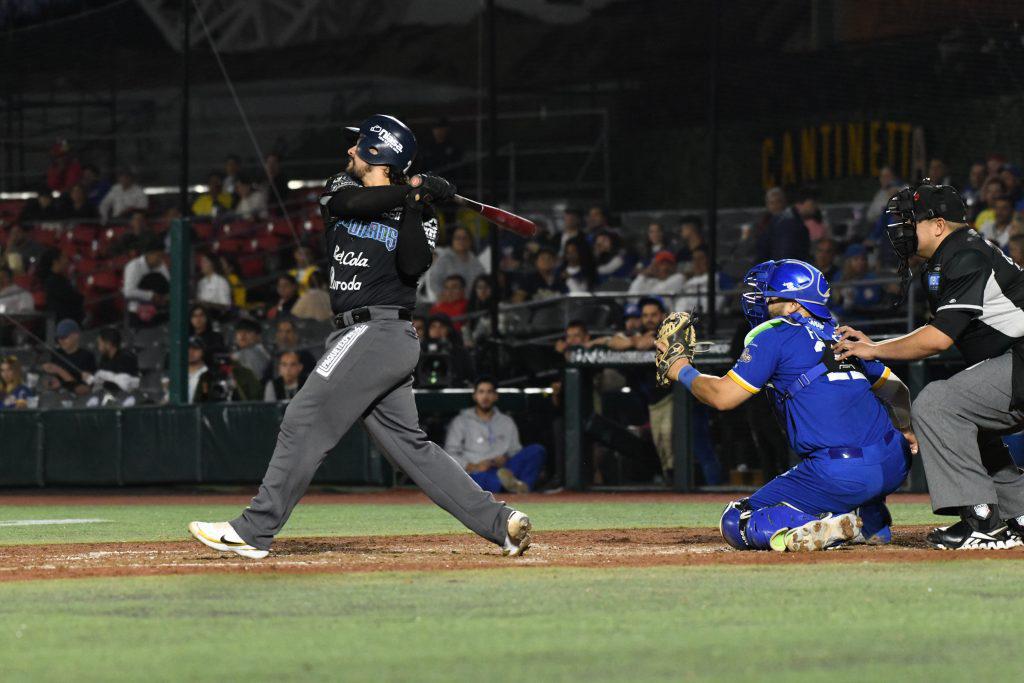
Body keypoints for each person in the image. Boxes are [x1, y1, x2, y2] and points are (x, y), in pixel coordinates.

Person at [189, 113, 530, 559]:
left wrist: (416, 203)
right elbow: (351, 207)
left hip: (381, 329)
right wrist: (412, 190)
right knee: (411, 448)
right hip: (363, 334)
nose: (350, 150)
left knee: (303, 416)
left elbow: (411, 266)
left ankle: (254, 531)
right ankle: (500, 522)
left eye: (359, 144)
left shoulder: (420, 213)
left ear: (378, 151)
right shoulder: (339, 188)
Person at [660, 259, 913, 551]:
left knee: (736, 520)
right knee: (859, 448)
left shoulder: (776, 333)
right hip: (896, 460)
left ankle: (825, 526)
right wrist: (905, 429)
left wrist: (681, 368)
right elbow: (898, 391)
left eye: (770, 297)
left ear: (794, 305)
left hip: (842, 473)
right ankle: (872, 523)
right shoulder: (841, 334)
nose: (761, 303)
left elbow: (722, 396)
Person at [836, 181, 1024, 550]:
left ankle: (982, 521)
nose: (901, 230)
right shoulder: (953, 255)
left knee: (938, 404)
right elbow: (937, 329)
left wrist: (875, 351)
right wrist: (877, 344)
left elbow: (938, 339)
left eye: (911, 221)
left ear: (938, 225)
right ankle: (1018, 512)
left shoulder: (965, 255)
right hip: (1013, 360)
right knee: (966, 420)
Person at [444, 377, 547, 493]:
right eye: (481, 392)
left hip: (505, 468)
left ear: (495, 396)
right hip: (478, 470)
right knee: (478, 480)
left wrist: (505, 458)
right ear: (474, 396)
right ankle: (510, 486)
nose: (485, 397)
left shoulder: (506, 421)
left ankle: (522, 486)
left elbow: (516, 451)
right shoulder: (461, 421)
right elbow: (450, 453)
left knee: (537, 450)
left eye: (489, 392)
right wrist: (473, 466)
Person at [123, 235, 170, 326]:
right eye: (158, 256)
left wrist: (166, 296)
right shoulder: (134, 266)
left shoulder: (161, 265)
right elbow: (128, 292)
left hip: (159, 310)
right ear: (149, 254)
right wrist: (151, 295)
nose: (161, 259)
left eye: (162, 256)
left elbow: (168, 284)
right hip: (137, 313)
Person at [41, 319, 97, 395]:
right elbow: (47, 381)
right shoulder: (56, 354)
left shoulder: (87, 357)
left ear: (76, 336)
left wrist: (60, 371)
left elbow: (85, 390)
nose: (61, 341)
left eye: (64, 337)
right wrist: (49, 382)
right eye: (59, 338)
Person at [428, 225, 484, 299]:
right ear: (452, 241)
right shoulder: (445, 258)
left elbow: (482, 279)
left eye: (465, 238)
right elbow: (433, 281)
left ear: (470, 241)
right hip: (449, 303)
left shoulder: (474, 259)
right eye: (458, 238)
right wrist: (442, 296)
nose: (461, 241)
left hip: (471, 303)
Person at [756, 187, 810, 262]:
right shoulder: (769, 221)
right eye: (771, 203)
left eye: (778, 202)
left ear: (784, 202)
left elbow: (787, 251)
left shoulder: (791, 222)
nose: (775, 206)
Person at [674, 248, 725, 315]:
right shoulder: (688, 283)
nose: (697, 262)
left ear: (709, 261)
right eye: (694, 259)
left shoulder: (719, 277)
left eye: (701, 258)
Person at [39, 249, 83, 324]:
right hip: (61, 323)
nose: (67, 261)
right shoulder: (53, 281)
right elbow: (73, 298)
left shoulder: (60, 279)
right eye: (64, 257)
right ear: (55, 262)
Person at [93, 327, 140, 393]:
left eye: (100, 343)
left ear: (108, 344)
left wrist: (104, 376)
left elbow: (124, 382)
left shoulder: (126, 357)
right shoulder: (104, 358)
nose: (98, 346)